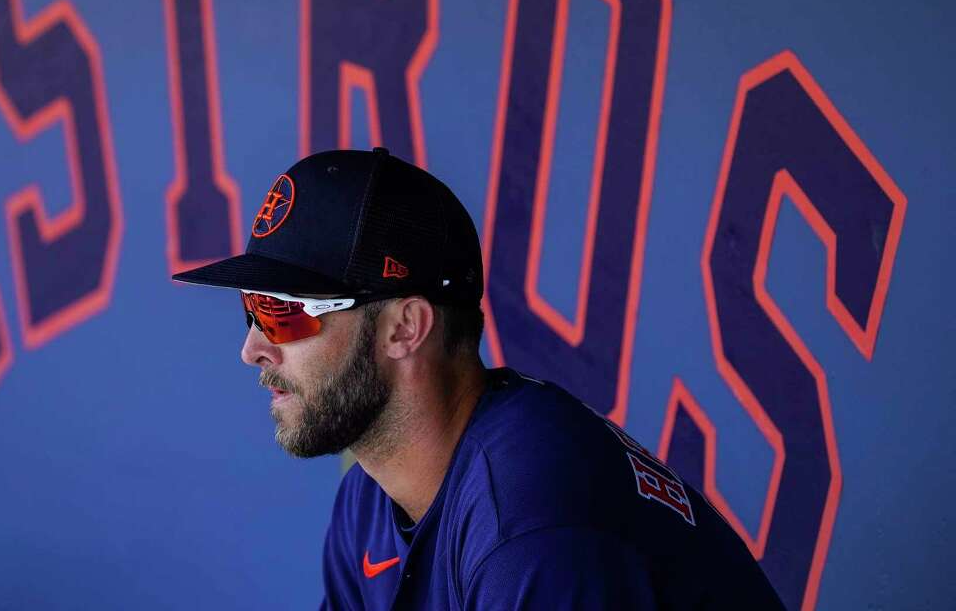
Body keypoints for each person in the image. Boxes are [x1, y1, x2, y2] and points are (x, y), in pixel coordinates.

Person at [173, 147, 785, 609]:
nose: (252, 348)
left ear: (405, 327)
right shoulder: (369, 501)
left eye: (284, 311)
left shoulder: (531, 520)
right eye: (252, 307)